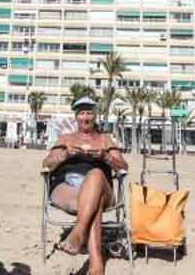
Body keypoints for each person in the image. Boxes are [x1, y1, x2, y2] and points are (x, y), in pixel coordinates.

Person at [42, 96, 128, 275]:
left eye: (89, 112)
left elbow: (123, 166)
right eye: (82, 113)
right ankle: (97, 265)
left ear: (95, 116)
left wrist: (106, 157)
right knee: (92, 203)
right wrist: (65, 154)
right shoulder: (66, 138)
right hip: (68, 188)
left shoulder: (105, 140)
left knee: (95, 175)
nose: (86, 117)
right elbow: (47, 163)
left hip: (103, 190)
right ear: (76, 117)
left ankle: (79, 231)